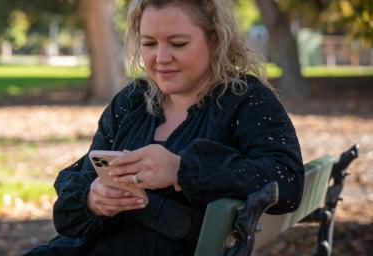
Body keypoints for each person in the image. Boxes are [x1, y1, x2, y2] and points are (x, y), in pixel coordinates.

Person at [26, 0, 304, 255]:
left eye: (178, 43)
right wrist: (94, 200)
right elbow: (76, 197)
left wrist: (181, 171)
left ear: (215, 39)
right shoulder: (132, 101)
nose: (161, 58)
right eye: (148, 43)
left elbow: (286, 182)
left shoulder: (247, 101)